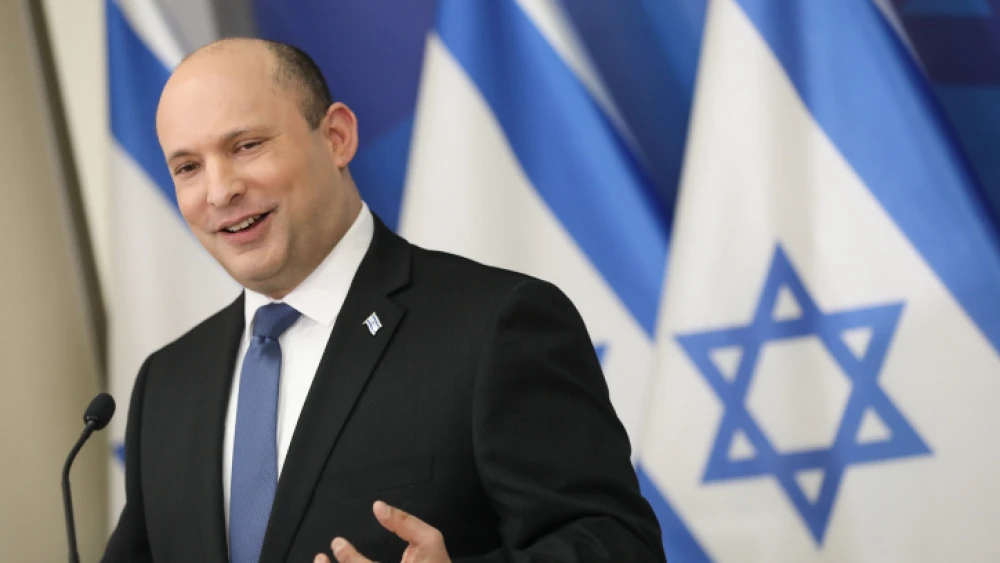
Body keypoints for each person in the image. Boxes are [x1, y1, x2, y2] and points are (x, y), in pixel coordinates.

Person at [102, 37, 667, 563]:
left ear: (337, 137)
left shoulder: (496, 325)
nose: (220, 190)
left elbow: (618, 543)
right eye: (188, 167)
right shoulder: (168, 383)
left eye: (246, 146)